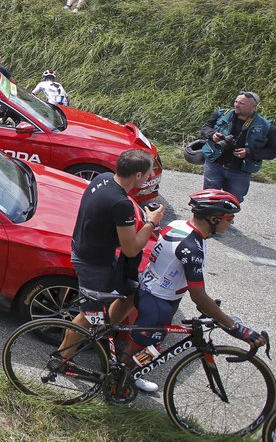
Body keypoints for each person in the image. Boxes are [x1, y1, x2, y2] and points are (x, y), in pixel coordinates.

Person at [122, 189, 266, 392]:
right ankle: (118, 381)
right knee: (142, 347)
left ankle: (128, 373)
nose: (231, 223)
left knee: (152, 346)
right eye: (230, 218)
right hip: (158, 302)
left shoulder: (178, 225)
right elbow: (198, 296)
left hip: (153, 291)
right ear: (214, 218)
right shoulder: (192, 247)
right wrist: (235, 328)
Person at [60, 149, 164, 382]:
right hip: (93, 262)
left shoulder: (103, 179)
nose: (149, 178)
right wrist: (151, 223)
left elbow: (103, 219)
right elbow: (131, 249)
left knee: (130, 294)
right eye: (148, 174)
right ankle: (62, 360)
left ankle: (103, 333)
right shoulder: (120, 203)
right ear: (137, 175)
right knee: (89, 314)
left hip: (88, 249)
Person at [199, 91, 276, 203]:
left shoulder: (267, 127)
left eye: (242, 103)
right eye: (236, 101)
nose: (236, 105)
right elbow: (205, 128)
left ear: (253, 107)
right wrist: (212, 135)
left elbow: (273, 152)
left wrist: (249, 152)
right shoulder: (221, 114)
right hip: (215, 165)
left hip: (240, 171)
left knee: (232, 202)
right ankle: (207, 219)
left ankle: (226, 220)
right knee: (209, 198)